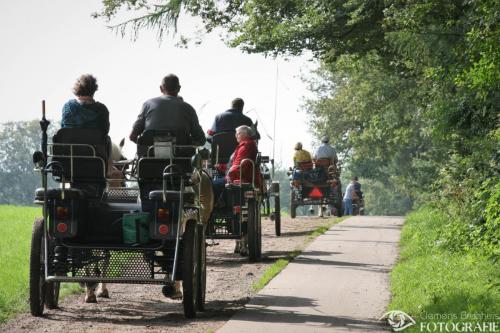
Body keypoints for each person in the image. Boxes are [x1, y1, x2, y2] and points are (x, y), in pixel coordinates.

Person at [129, 74, 205, 146]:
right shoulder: (189, 108)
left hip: (148, 157)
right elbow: (201, 140)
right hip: (182, 158)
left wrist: (143, 145)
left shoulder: (148, 105)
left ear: (161, 88)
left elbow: (132, 136)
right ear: (179, 88)